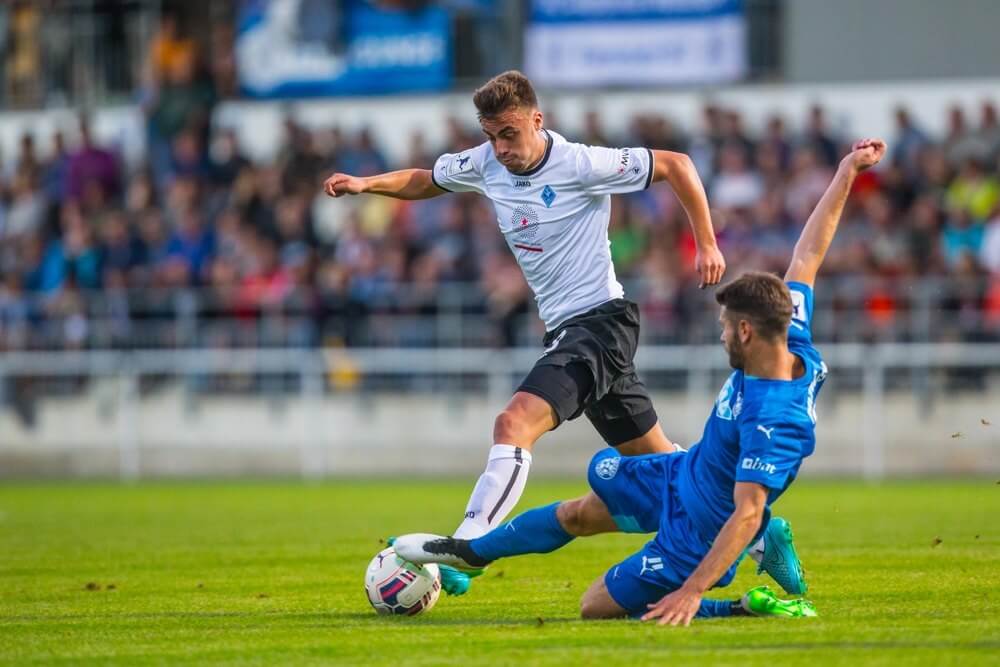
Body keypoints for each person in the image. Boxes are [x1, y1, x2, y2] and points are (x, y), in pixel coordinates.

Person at [394, 139, 888, 623]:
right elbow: (808, 253)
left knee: (595, 607)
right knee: (580, 510)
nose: (720, 337)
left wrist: (693, 590)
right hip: (678, 474)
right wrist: (847, 170)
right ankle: (472, 551)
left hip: (698, 531)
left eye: (724, 328)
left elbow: (745, 513)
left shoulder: (776, 420)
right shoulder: (789, 328)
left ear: (745, 331)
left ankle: (740, 606)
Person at [323, 71, 726, 594]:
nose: (500, 148)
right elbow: (427, 179)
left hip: (600, 323)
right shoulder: (486, 162)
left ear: (537, 120)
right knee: (661, 469)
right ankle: (764, 536)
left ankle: (468, 546)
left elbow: (677, 165)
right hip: (570, 330)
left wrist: (707, 244)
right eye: (491, 135)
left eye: (509, 134)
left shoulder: (581, 164)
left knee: (513, 422)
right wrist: (366, 184)